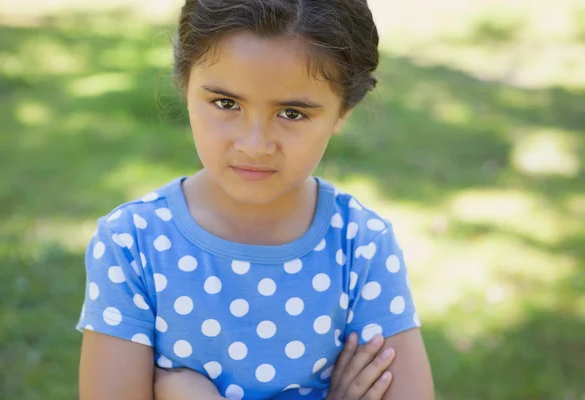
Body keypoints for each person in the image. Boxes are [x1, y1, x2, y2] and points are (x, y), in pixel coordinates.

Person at [76, 0, 434, 399]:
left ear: (343, 112)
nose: (255, 145)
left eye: (293, 113)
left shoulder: (360, 245)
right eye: (226, 104)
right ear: (185, 85)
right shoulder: (132, 244)